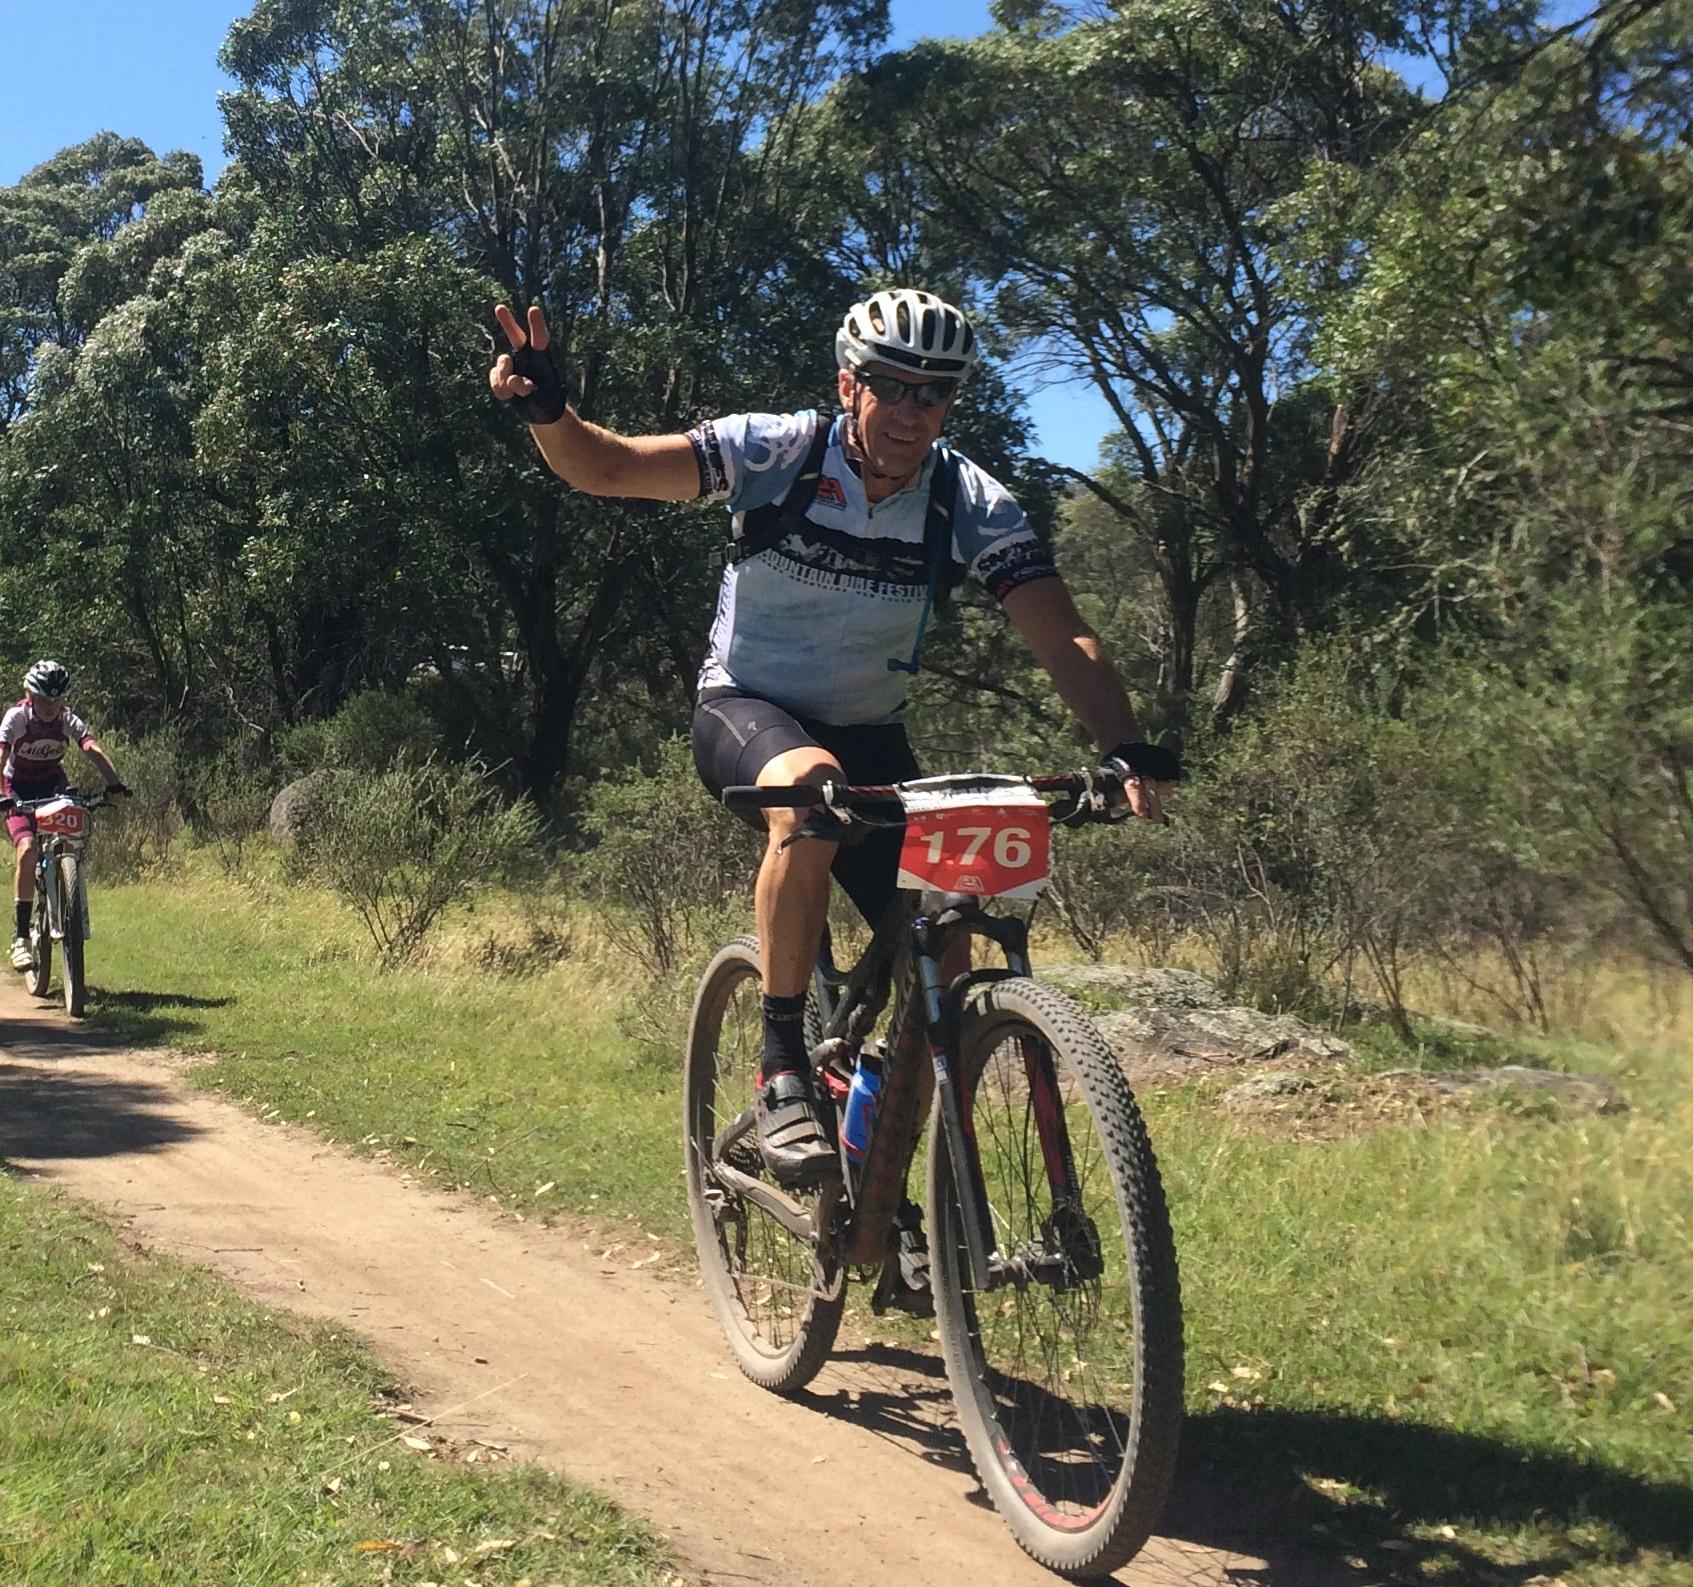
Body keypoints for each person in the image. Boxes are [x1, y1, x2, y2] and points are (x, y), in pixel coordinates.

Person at [488, 288, 1178, 1291]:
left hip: (873, 738)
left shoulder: (967, 501)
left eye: (932, 395)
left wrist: (1127, 748)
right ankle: (778, 1066)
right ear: (848, 384)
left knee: (944, 931)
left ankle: (881, 1186)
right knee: (810, 797)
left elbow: (1058, 631)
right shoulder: (774, 452)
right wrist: (549, 411)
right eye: (890, 387)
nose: (909, 411)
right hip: (750, 712)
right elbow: (606, 466)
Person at [2, 660, 128, 970]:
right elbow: (1, 753)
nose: (50, 707)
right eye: (43, 699)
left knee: (71, 836)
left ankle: (66, 883)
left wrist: (114, 784)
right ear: (30, 696)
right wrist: (2, 796)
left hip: (54, 785)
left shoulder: (67, 720)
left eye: (56, 700)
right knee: (28, 850)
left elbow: (91, 748)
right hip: (15, 788)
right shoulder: (16, 718)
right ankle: (21, 938)